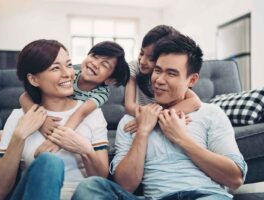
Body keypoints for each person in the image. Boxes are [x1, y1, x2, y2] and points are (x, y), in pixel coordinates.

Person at [72, 34, 247, 200]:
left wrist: (181, 138)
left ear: (192, 80)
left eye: (171, 73)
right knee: (90, 187)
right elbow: (125, 186)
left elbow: (235, 179)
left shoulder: (211, 113)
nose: (159, 80)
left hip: (204, 195)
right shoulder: (131, 121)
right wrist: (142, 132)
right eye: (157, 70)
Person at [0, 39, 113, 200]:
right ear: (34, 79)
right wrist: (19, 137)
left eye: (68, 64)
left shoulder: (93, 114)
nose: (68, 73)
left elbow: (100, 181)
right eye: (55, 68)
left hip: (81, 196)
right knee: (49, 162)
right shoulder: (19, 117)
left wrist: (85, 149)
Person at [0, 41, 130, 153]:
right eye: (94, 56)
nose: (95, 63)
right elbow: (24, 97)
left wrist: (54, 141)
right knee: (0, 139)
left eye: (104, 64)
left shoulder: (101, 93)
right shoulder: (70, 73)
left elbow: (80, 113)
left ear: (109, 80)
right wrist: (41, 122)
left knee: (3, 139)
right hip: (47, 115)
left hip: (70, 122)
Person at [124, 25, 201, 133]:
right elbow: (129, 106)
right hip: (141, 116)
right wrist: (148, 118)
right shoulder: (134, 67)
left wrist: (156, 118)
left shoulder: (172, 79)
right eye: (141, 53)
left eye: (151, 58)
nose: (142, 61)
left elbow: (195, 102)